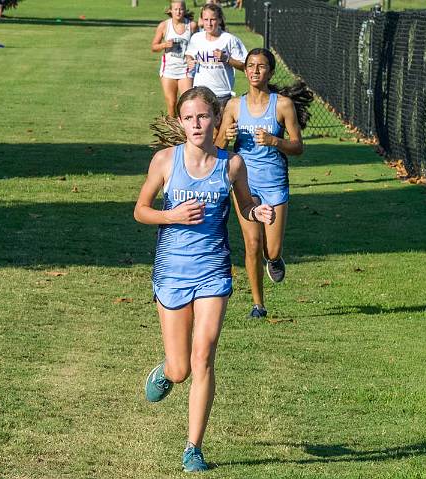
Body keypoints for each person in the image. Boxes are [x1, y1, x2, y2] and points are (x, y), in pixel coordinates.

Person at [134, 86, 274, 472]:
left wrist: (257, 212)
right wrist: (172, 216)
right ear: (180, 122)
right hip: (172, 272)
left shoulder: (232, 165)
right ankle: (165, 371)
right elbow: (141, 210)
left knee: (204, 356)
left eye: (203, 116)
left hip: (213, 270)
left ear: (216, 119)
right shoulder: (165, 161)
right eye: (189, 118)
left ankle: (193, 447)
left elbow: (245, 203)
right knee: (181, 368)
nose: (197, 124)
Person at [215, 48, 312, 319]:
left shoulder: (282, 105)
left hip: (274, 183)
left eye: (261, 66)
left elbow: (297, 147)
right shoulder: (234, 106)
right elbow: (218, 147)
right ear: (244, 71)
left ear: (270, 72)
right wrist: (226, 133)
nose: (255, 71)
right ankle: (258, 305)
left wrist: (274, 141)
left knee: (271, 249)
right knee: (252, 244)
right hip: (245, 184)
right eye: (250, 66)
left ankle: (275, 259)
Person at [185, 3, 247, 112]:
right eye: (206, 19)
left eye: (212, 19)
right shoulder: (196, 38)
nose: (209, 24)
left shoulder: (229, 40)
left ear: (219, 20)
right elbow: (189, 54)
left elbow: (245, 66)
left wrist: (227, 59)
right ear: (202, 20)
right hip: (200, 92)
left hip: (221, 94)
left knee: (220, 129)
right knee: (203, 128)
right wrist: (189, 61)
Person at [151, 1, 198, 116]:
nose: (178, 12)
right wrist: (164, 45)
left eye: (181, 9)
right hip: (168, 70)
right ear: (170, 10)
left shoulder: (191, 26)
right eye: (176, 9)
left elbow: (198, 44)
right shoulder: (164, 26)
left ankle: (185, 132)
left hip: (186, 70)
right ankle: (172, 132)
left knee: (186, 103)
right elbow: (153, 47)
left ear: (185, 10)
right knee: (171, 103)